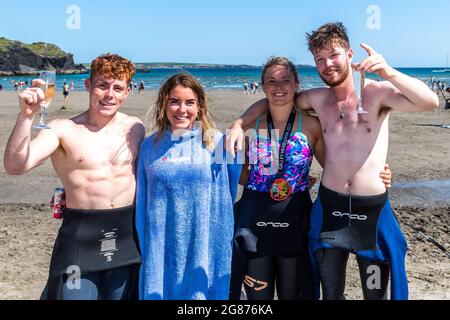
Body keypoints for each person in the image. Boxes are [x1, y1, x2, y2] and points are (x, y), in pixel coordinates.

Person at [226, 22, 438, 300]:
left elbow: (429, 101)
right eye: (320, 59)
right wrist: (239, 124)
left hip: (370, 214)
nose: (328, 64)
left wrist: (386, 70)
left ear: (350, 54)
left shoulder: (375, 93)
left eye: (334, 55)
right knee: (329, 293)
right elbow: (277, 98)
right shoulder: (316, 99)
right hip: (330, 212)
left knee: (375, 293)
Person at [229, 57, 393, 301]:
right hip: (255, 223)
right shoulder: (249, 126)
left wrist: (376, 172)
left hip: (295, 222)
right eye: (271, 81)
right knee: (257, 301)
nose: (278, 87)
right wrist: (263, 181)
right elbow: (240, 174)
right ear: (263, 86)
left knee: (294, 295)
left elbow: (335, 166)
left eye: (285, 80)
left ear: (296, 84)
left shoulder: (312, 125)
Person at [3, 54, 145, 300]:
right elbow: (16, 165)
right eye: (102, 85)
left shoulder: (135, 128)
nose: (109, 94)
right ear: (88, 85)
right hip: (80, 242)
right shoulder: (62, 129)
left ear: (127, 91)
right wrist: (26, 116)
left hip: (125, 240)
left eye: (118, 88)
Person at [135, 74, 242, 300]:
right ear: (163, 104)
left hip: (205, 246)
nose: (181, 109)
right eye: (174, 101)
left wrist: (240, 126)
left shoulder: (218, 143)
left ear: (199, 106)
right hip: (162, 250)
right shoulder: (148, 147)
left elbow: (246, 178)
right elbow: (140, 198)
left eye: (189, 102)